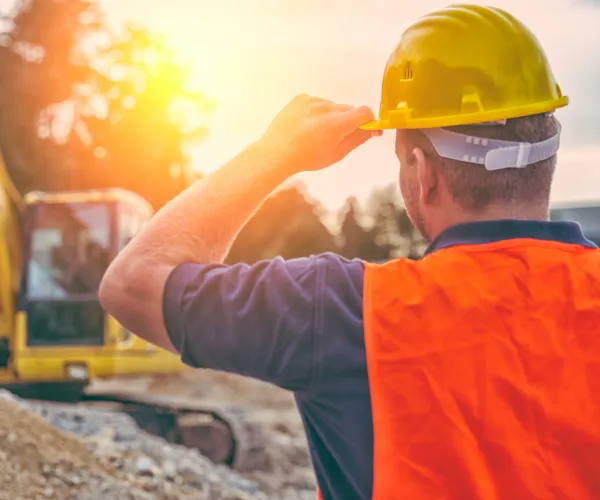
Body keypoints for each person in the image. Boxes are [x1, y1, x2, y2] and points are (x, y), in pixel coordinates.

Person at [99, 5, 600, 500]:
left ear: (422, 174)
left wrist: (276, 154)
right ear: (549, 151)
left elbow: (133, 283)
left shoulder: (345, 311)